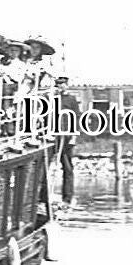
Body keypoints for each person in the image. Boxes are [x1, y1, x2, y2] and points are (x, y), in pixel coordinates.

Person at [55, 76, 79, 206]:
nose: (61, 87)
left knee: (67, 167)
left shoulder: (72, 100)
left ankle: (67, 197)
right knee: (46, 167)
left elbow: (76, 117)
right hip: (53, 137)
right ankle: (42, 197)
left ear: (67, 85)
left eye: (63, 84)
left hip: (67, 137)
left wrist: (74, 136)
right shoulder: (52, 99)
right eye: (58, 85)